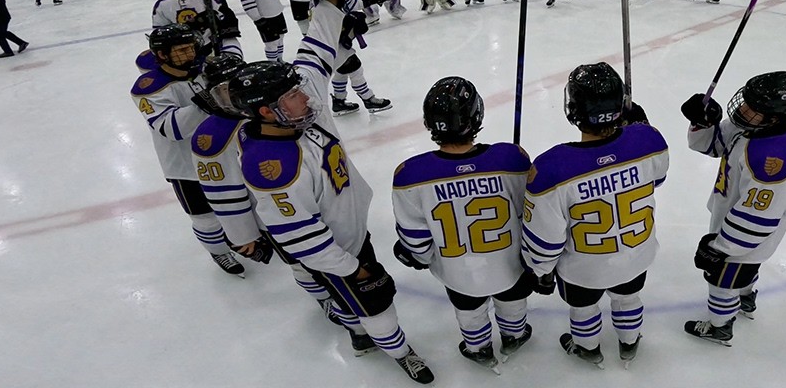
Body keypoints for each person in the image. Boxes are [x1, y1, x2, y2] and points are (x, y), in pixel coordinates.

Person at [230, 61, 434, 383]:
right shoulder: (276, 168)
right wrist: (352, 268)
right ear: (267, 112)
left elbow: (315, 56)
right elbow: (304, 240)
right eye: (292, 95)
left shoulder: (291, 124)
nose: (305, 98)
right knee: (375, 306)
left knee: (346, 299)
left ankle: (358, 332)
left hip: (348, 235)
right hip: (338, 253)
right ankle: (398, 351)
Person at [187, 52, 370, 344]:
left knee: (314, 255)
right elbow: (223, 191)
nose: (230, 97)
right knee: (300, 262)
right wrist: (243, 235)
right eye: (222, 91)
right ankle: (323, 298)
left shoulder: (279, 116)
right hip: (270, 217)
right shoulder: (211, 135)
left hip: (304, 206)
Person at [521, 63, 669, 366]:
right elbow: (657, 178)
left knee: (583, 308)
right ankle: (629, 343)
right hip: (636, 255)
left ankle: (587, 348)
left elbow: (545, 239)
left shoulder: (551, 168)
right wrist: (638, 128)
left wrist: (540, 270)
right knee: (629, 298)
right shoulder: (649, 140)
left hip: (583, 269)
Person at [391, 77, 540, 371]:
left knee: (469, 311)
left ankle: (478, 348)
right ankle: (514, 336)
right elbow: (532, 213)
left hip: (457, 271)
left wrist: (420, 257)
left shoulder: (410, 175)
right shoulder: (511, 158)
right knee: (513, 303)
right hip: (510, 265)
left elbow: (415, 238)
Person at [678, 73, 786, 346]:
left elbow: (757, 219)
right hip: (736, 221)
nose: (743, 109)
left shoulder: (770, 158)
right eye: (746, 102)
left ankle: (720, 326)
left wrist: (720, 248)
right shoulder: (756, 125)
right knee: (744, 271)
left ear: (773, 116)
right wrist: (703, 122)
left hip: (745, 236)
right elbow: (715, 145)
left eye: (752, 108)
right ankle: (745, 295)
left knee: (721, 280)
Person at [130, 24, 241, 276]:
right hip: (185, 166)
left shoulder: (203, 70)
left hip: (224, 152)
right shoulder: (148, 87)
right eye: (181, 50)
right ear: (162, 54)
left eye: (190, 48)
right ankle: (218, 251)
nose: (189, 54)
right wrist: (208, 100)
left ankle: (243, 237)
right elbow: (171, 128)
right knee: (204, 216)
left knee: (240, 202)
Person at [294, 0, 392, 116]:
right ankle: (368, 98)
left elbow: (355, 3)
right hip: (326, 47)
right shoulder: (323, 1)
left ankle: (339, 101)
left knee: (343, 69)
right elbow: (344, 9)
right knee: (353, 66)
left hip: (332, 44)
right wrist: (350, 22)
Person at [152, 0, 243, 58]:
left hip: (209, 43)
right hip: (184, 49)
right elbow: (159, 29)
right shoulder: (162, 4)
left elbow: (223, 13)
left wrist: (225, 27)